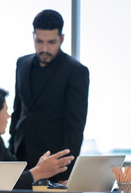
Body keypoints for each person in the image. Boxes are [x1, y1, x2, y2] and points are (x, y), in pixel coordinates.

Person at [8, 9, 89, 183]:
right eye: (39, 41)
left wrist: (65, 174)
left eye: (51, 42)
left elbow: (75, 126)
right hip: (19, 159)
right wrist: (11, 149)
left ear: (62, 38)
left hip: (53, 164)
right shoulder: (22, 63)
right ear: (33, 36)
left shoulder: (76, 72)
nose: (45, 48)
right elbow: (18, 110)